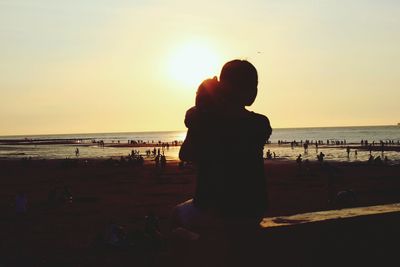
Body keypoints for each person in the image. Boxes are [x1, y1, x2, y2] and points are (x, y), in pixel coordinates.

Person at [177, 60, 272, 226]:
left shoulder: (203, 119)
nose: (255, 90)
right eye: (251, 85)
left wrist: (201, 108)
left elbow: (186, 154)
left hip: (211, 209)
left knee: (176, 215)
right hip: (253, 209)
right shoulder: (260, 123)